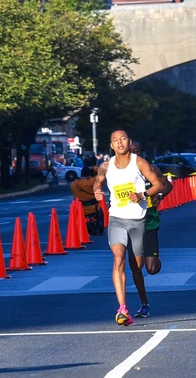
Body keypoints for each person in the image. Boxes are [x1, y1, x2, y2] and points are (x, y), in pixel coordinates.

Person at [94, 129, 166, 326]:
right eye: (115, 140)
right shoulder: (105, 166)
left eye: (123, 139)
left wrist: (142, 194)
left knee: (138, 268)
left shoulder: (140, 163)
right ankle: (122, 308)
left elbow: (159, 185)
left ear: (129, 142)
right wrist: (97, 191)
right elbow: (97, 183)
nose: (120, 143)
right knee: (118, 259)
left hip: (138, 220)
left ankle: (144, 301)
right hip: (116, 218)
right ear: (111, 145)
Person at [127, 139, 172, 318]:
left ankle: (156, 259)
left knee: (151, 269)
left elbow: (167, 185)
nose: (133, 154)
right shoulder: (120, 173)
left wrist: (159, 195)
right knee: (136, 267)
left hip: (149, 222)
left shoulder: (151, 170)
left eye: (136, 150)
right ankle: (144, 304)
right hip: (129, 223)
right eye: (130, 151)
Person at [70, 167, 104, 235]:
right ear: (90, 175)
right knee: (101, 212)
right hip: (93, 209)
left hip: (80, 210)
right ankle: (100, 230)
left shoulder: (73, 185)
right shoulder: (93, 183)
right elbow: (101, 172)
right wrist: (94, 168)